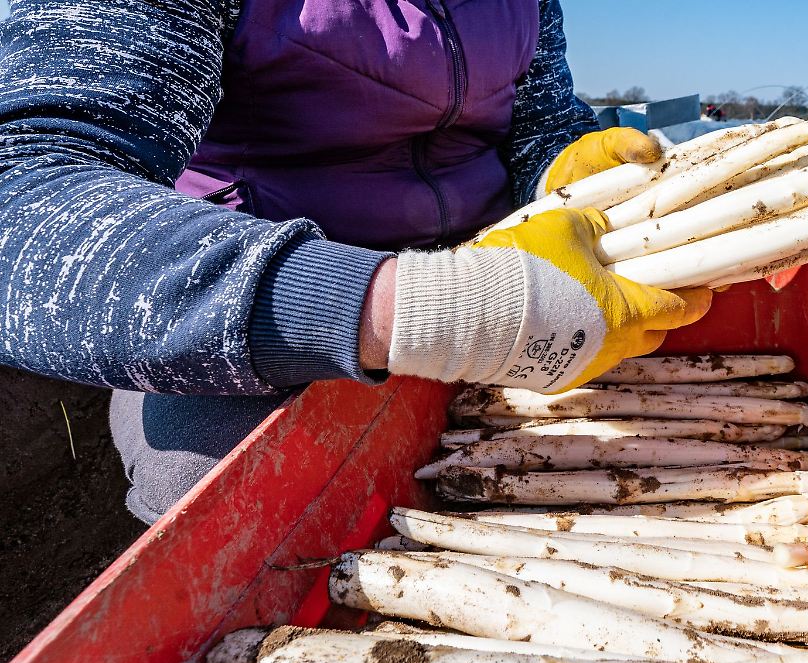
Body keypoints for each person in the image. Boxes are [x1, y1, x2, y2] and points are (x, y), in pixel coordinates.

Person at [0, 0, 711, 523]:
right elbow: (22, 199)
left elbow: (539, 124)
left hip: (508, 269)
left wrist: (562, 168)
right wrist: (434, 307)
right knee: (226, 494)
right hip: (266, 306)